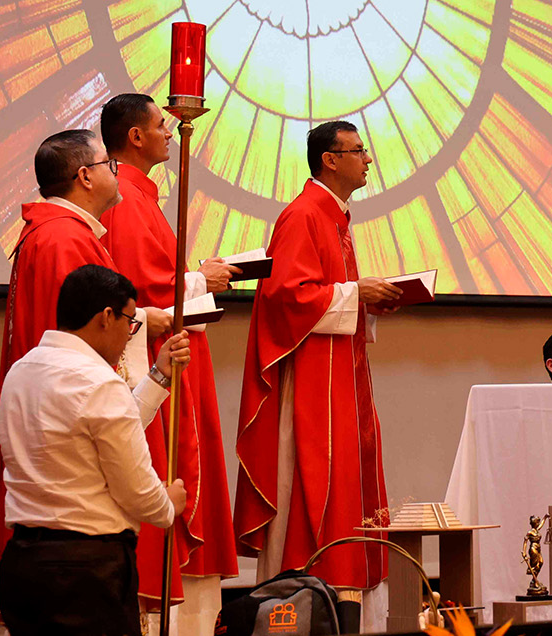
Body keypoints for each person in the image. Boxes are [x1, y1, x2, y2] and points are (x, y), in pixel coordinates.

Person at [0, 129, 166, 625]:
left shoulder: (57, 232)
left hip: (37, 551)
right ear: (85, 176)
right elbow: (85, 338)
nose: (117, 171)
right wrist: (166, 504)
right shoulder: (65, 238)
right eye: (109, 163)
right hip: (82, 553)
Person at [235, 120, 400, 631]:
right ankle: (306, 604)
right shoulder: (304, 214)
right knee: (316, 486)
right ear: (330, 159)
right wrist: (356, 294)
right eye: (359, 151)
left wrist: (370, 302)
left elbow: (326, 295)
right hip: (313, 386)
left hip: (342, 379)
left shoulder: (336, 218)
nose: (368, 159)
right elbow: (286, 295)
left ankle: (352, 609)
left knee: (356, 483)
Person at [98, 93, 240, 630]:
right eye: (163, 125)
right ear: (135, 136)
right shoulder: (129, 200)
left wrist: (199, 275)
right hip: (160, 359)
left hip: (174, 355)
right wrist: (202, 277)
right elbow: (143, 291)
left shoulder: (142, 196)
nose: (169, 133)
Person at [0, 264, 191, 636]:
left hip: (23, 562)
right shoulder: (99, 381)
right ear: (106, 317)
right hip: (86, 571)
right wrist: (168, 506)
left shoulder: (20, 371)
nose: (128, 334)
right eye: (131, 322)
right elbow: (136, 488)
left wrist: (159, 375)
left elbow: (97, 433)